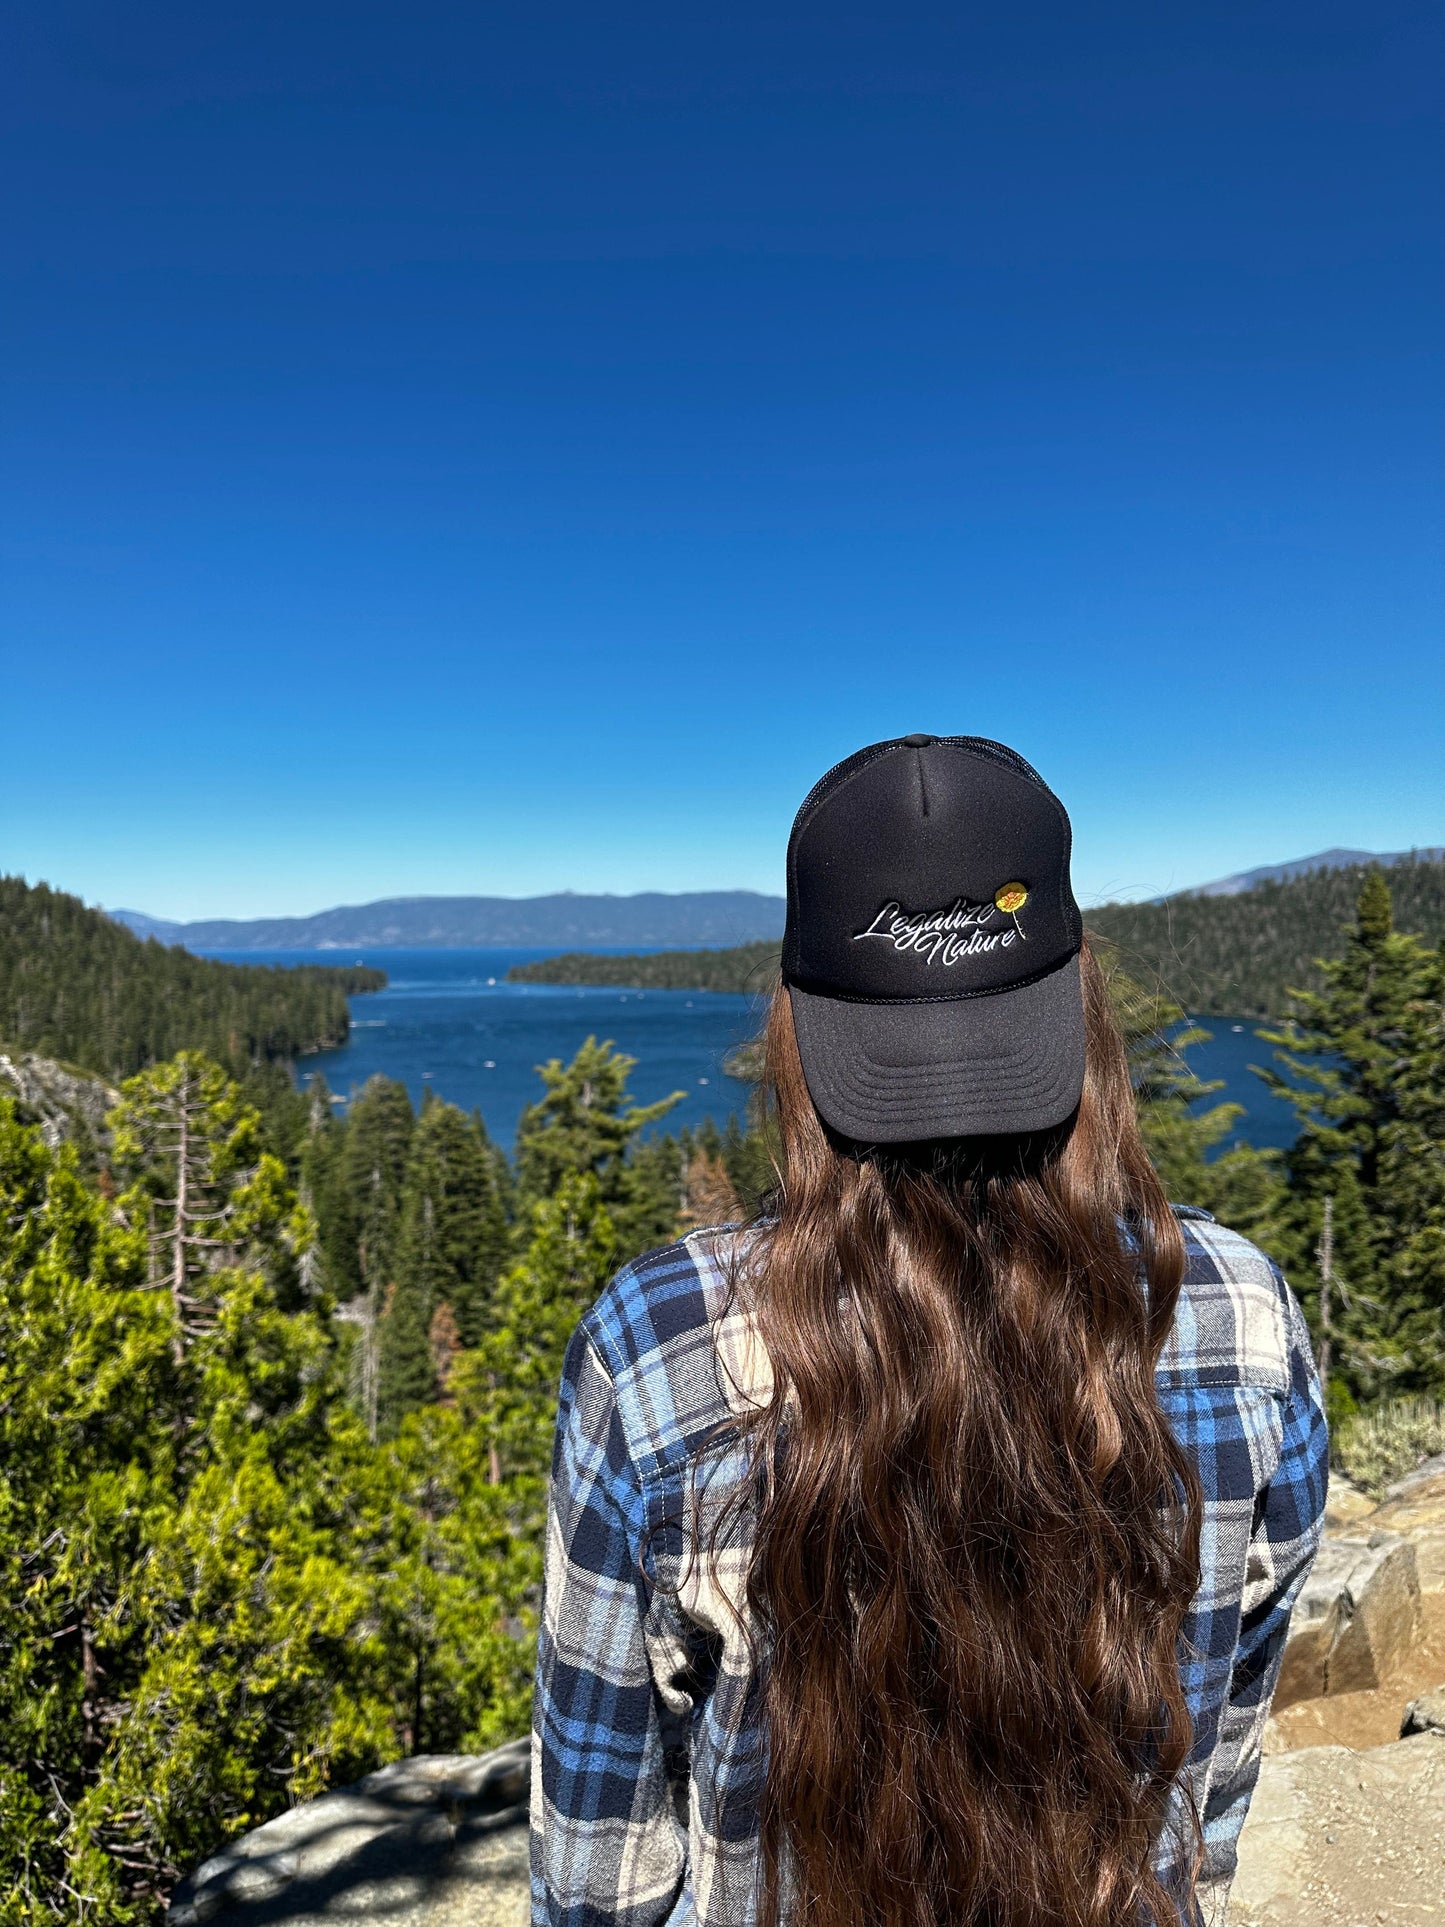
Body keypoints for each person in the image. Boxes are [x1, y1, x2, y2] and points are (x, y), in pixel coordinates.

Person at [531, 735, 1328, 1927]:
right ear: (1076, 998)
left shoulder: (655, 1350)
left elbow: (598, 1883)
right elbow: (1205, 1789)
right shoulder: (1239, 1318)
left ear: (794, 1027)